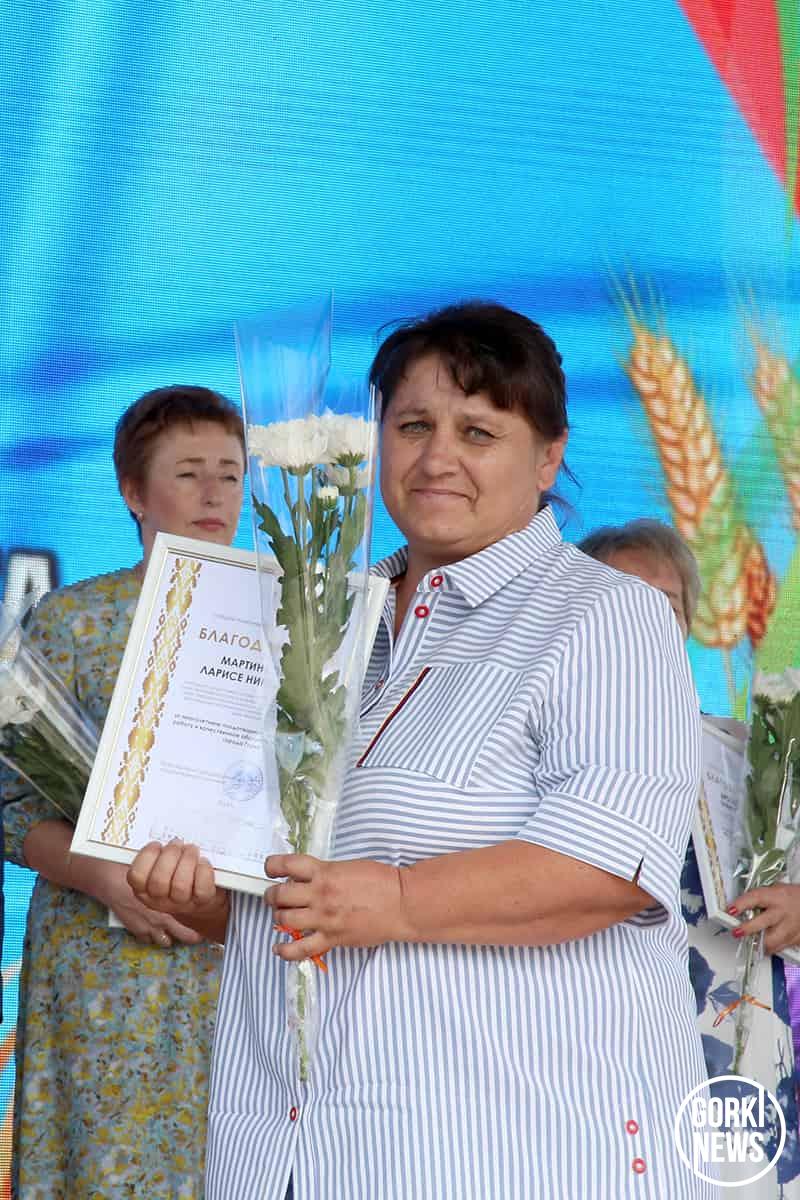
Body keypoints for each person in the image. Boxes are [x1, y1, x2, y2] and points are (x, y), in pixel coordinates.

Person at [130, 303, 715, 1199]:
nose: (438, 457)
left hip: (510, 1151)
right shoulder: (315, 619)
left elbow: (609, 867)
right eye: (412, 426)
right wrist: (208, 898)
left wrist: (398, 900)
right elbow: (297, 891)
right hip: (292, 1148)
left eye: (478, 431)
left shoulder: (603, 613)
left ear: (548, 457)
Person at [2, 385, 246, 1198]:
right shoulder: (71, 622)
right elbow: (9, 806)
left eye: (230, 475)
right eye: (188, 473)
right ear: (133, 492)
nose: (213, 494)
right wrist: (105, 876)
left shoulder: (287, 622)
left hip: (239, 959)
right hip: (105, 961)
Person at [580, 518, 800, 1196]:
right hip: (585, 1050)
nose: (648, 622)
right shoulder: (530, 751)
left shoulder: (749, 754)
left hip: (732, 1057)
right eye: (625, 600)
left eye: (667, 606)